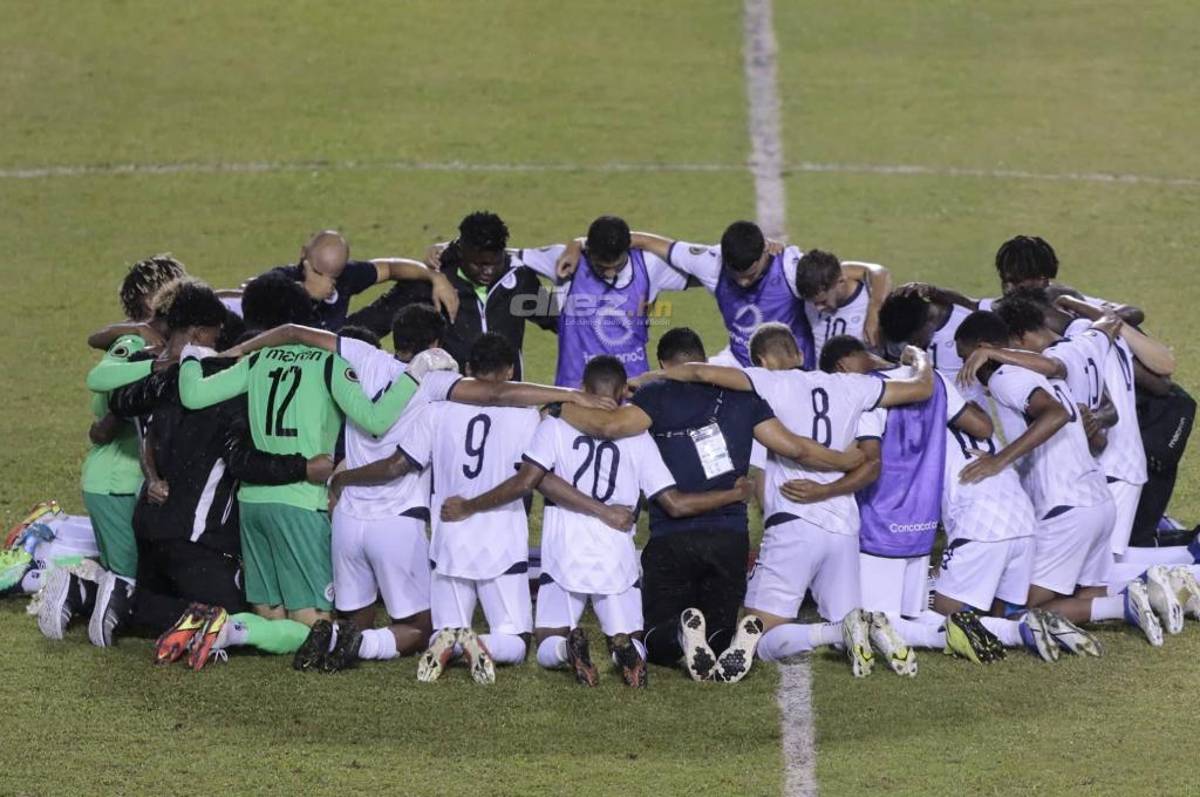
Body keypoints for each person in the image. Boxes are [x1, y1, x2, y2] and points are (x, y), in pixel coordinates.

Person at [224, 310, 619, 672]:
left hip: (347, 521)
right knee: (420, 627)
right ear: (435, 345)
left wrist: (237, 352)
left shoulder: (360, 356)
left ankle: (338, 640)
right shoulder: (436, 384)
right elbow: (496, 394)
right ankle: (369, 645)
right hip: (401, 523)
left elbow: (292, 329)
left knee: (355, 618)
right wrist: (568, 393)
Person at [555, 328, 865, 683]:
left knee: (654, 639)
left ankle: (680, 633)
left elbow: (610, 427)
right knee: (719, 638)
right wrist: (842, 460)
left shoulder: (655, 396)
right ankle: (717, 637)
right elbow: (795, 447)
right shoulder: (745, 398)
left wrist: (561, 406)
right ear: (702, 359)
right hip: (728, 539)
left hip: (673, 538)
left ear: (664, 364)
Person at [440, 356, 764, 688]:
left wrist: (468, 506)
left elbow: (533, 479)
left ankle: (566, 649)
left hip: (564, 547)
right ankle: (627, 652)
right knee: (632, 635)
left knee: (548, 637)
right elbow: (674, 503)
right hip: (615, 550)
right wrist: (734, 494)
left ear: (583, 387)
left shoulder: (556, 424)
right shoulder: (639, 437)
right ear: (624, 391)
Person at [638, 323, 936, 677]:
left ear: (761, 361)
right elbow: (922, 387)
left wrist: (648, 379)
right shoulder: (853, 385)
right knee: (848, 623)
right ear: (799, 353)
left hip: (793, 519)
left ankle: (833, 631)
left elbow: (699, 372)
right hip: (844, 526)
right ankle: (924, 634)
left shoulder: (766, 381)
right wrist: (918, 356)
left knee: (756, 635)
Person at [329, 335, 617, 685]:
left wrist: (343, 478)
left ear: (466, 369)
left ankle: (431, 642)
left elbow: (397, 465)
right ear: (510, 371)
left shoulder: (435, 411)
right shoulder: (529, 419)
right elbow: (532, 479)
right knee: (515, 640)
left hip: (449, 542)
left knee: (443, 630)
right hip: (501, 543)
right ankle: (482, 644)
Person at [91, 281, 332, 666]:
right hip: (196, 541)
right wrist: (302, 466)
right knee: (242, 614)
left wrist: (151, 476)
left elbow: (124, 407)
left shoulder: (163, 378)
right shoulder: (229, 390)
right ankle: (124, 598)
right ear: (203, 333)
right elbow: (240, 460)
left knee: (157, 611)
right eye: (217, 334)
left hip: (149, 530)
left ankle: (101, 594)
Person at [820, 335, 1100, 665]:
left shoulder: (866, 393)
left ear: (841, 367)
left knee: (897, 619)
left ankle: (1019, 631)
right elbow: (983, 427)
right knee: (989, 614)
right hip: (1013, 517)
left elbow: (867, 460)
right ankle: (1025, 626)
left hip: (938, 521)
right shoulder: (936, 381)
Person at [173, 274, 420, 643]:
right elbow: (376, 421)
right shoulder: (328, 364)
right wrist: (415, 375)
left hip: (253, 502)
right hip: (301, 502)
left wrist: (192, 354)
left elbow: (193, 396)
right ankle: (230, 631)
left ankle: (229, 627)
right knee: (314, 626)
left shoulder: (256, 360)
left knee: (271, 613)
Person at [953, 311, 1181, 647]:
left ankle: (1137, 597)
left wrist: (999, 461)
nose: (965, 369)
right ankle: (1131, 601)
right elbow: (1096, 437)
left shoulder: (1005, 377)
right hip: (1098, 501)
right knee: (1089, 594)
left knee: (1008, 612)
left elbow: (1056, 414)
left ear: (983, 349)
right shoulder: (1050, 373)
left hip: (1066, 508)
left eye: (965, 358)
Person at [358, 212, 557, 378]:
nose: (488, 271)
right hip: (449, 402)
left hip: (507, 399)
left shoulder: (518, 278)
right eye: (479, 264)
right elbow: (371, 322)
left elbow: (559, 319)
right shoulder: (432, 282)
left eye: (495, 263)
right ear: (461, 252)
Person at [593, 222, 816, 369]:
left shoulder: (790, 268)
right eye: (735, 275)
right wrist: (586, 245)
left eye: (750, 275)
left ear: (764, 252)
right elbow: (649, 242)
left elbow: (831, 276)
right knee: (687, 382)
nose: (742, 283)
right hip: (740, 364)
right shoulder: (712, 262)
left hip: (792, 368)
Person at [514, 216, 686, 387]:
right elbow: (506, 257)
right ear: (589, 252)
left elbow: (694, 261)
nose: (610, 274)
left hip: (631, 389)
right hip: (575, 393)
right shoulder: (566, 260)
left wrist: (578, 242)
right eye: (601, 267)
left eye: (617, 266)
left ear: (629, 248)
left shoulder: (649, 264)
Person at [247, 229, 459, 333]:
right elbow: (255, 310)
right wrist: (304, 292)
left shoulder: (347, 276)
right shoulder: (279, 281)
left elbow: (389, 268)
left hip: (338, 347)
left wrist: (435, 277)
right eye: (318, 272)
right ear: (303, 255)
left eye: (334, 276)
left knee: (417, 286)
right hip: (293, 358)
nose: (328, 283)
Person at [793, 249, 891, 358]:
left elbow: (879, 272)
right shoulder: (812, 289)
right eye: (813, 303)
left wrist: (875, 310)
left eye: (823, 301)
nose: (818, 309)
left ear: (840, 281)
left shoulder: (870, 302)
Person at [878, 284, 976, 381]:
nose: (914, 344)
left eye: (913, 340)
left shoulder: (944, 359)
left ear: (926, 324)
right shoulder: (957, 304)